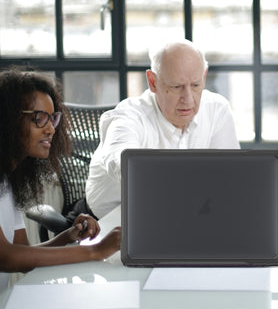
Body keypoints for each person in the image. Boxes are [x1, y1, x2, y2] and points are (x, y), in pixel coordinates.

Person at [86, 39, 240, 219]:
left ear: (204, 77)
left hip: (181, 218)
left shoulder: (217, 109)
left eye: (196, 85)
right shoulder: (128, 116)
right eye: (176, 87)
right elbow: (121, 163)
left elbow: (229, 176)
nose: (188, 99)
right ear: (152, 82)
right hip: (106, 224)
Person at [0, 67, 121, 294]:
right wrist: (95, 251)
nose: (50, 129)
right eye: (39, 119)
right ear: (8, 119)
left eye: (52, 119)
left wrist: (68, 236)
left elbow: (23, 254)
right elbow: (6, 257)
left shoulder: (8, 180)